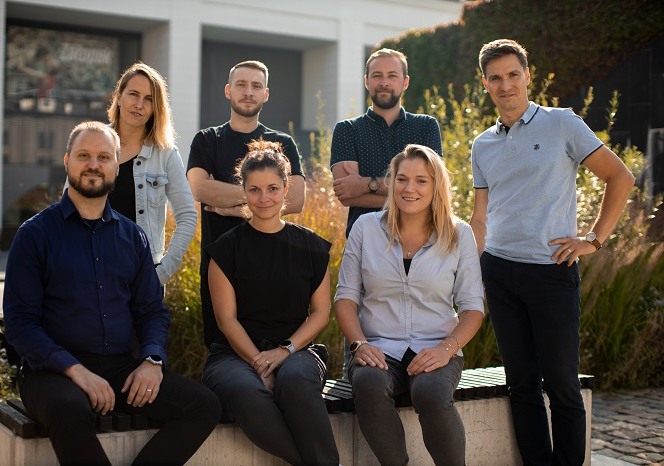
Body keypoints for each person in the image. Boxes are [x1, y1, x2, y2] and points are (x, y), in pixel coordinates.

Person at [3, 121, 221, 466]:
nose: (94, 164)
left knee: (203, 406)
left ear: (116, 166)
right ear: (67, 161)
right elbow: (19, 323)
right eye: (84, 156)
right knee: (69, 408)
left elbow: (151, 311)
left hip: (120, 368)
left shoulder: (133, 237)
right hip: (52, 372)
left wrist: (152, 361)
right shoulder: (34, 235)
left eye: (104, 157)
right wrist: (75, 370)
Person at [470, 39, 636, 465]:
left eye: (513, 75)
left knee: (562, 385)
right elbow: (480, 217)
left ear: (528, 75)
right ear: (485, 83)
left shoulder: (561, 123)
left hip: (551, 272)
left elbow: (620, 177)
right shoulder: (482, 144)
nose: (505, 85)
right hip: (499, 272)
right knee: (521, 384)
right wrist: (473, 271)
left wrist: (593, 239)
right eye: (495, 78)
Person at [335, 144, 485, 466]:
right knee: (368, 383)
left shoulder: (460, 234)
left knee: (430, 392)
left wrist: (446, 349)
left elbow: (473, 308)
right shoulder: (365, 229)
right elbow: (345, 298)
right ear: (391, 183)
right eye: (402, 179)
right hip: (376, 347)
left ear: (436, 186)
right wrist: (359, 344)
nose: (409, 188)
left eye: (421, 181)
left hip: (436, 346)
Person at [201, 139, 339, 465]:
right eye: (255, 190)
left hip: (296, 351)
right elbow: (226, 320)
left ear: (286, 188)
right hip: (233, 355)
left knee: (296, 382)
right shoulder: (225, 249)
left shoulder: (311, 247)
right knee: (246, 392)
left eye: (273, 189)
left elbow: (321, 314)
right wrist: (258, 362)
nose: (264, 198)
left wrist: (283, 352)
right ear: (244, 191)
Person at [187, 60, 305, 347]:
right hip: (220, 268)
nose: (248, 92)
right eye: (241, 85)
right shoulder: (207, 140)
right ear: (228, 90)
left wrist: (231, 207)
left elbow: (296, 199)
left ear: (266, 94)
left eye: (256, 86)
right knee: (223, 356)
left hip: (273, 268)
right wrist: (267, 195)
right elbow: (200, 188)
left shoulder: (282, 143)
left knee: (273, 355)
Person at [330, 48, 443, 238]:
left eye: (392, 76)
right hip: (365, 240)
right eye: (377, 76)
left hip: (421, 239)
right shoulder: (347, 129)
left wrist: (366, 184)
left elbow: (434, 187)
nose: (384, 82)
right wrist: (411, 195)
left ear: (405, 82)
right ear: (367, 81)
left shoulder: (426, 126)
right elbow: (347, 195)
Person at [107, 62, 197, 286]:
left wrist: (161, 274)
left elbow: (187, 216)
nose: (139, 105)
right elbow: (69, 207)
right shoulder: (93, 143)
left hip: (142, 276)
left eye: (149, 99)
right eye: (133, 94)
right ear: (119, 97)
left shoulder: (165, 154)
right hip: (92, 272)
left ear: (156, 108)